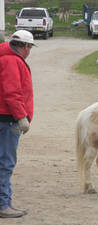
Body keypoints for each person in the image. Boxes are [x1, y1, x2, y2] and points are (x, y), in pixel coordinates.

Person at [0, 30, 35, 218]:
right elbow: (12, 92)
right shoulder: (12, 60)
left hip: (5, 117)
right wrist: (22, 116)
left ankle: (5, 201)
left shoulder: (5, 56)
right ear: (25, 46)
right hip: (8, 119)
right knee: (5, 163)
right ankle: (3, 204)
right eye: (29, 47)